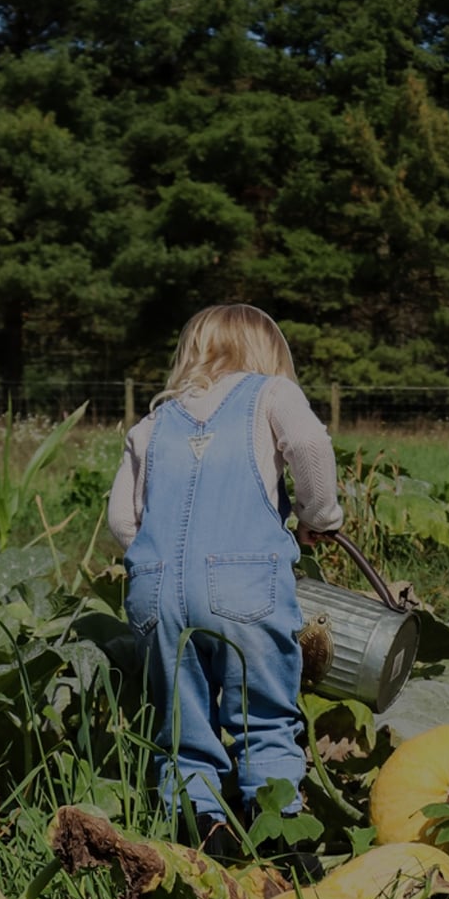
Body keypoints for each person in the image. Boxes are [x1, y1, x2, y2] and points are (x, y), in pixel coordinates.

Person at [109, 304, 343, 855]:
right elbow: (310, 447)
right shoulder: (272, 394)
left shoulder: (151, 423)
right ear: (268, 353)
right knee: (262, 712)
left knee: (183, 722)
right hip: (245, 586)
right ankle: (279, 832)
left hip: (157, 591)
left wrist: (157, 563)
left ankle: (201, 829)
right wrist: (319, 518)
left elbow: (123, 519)